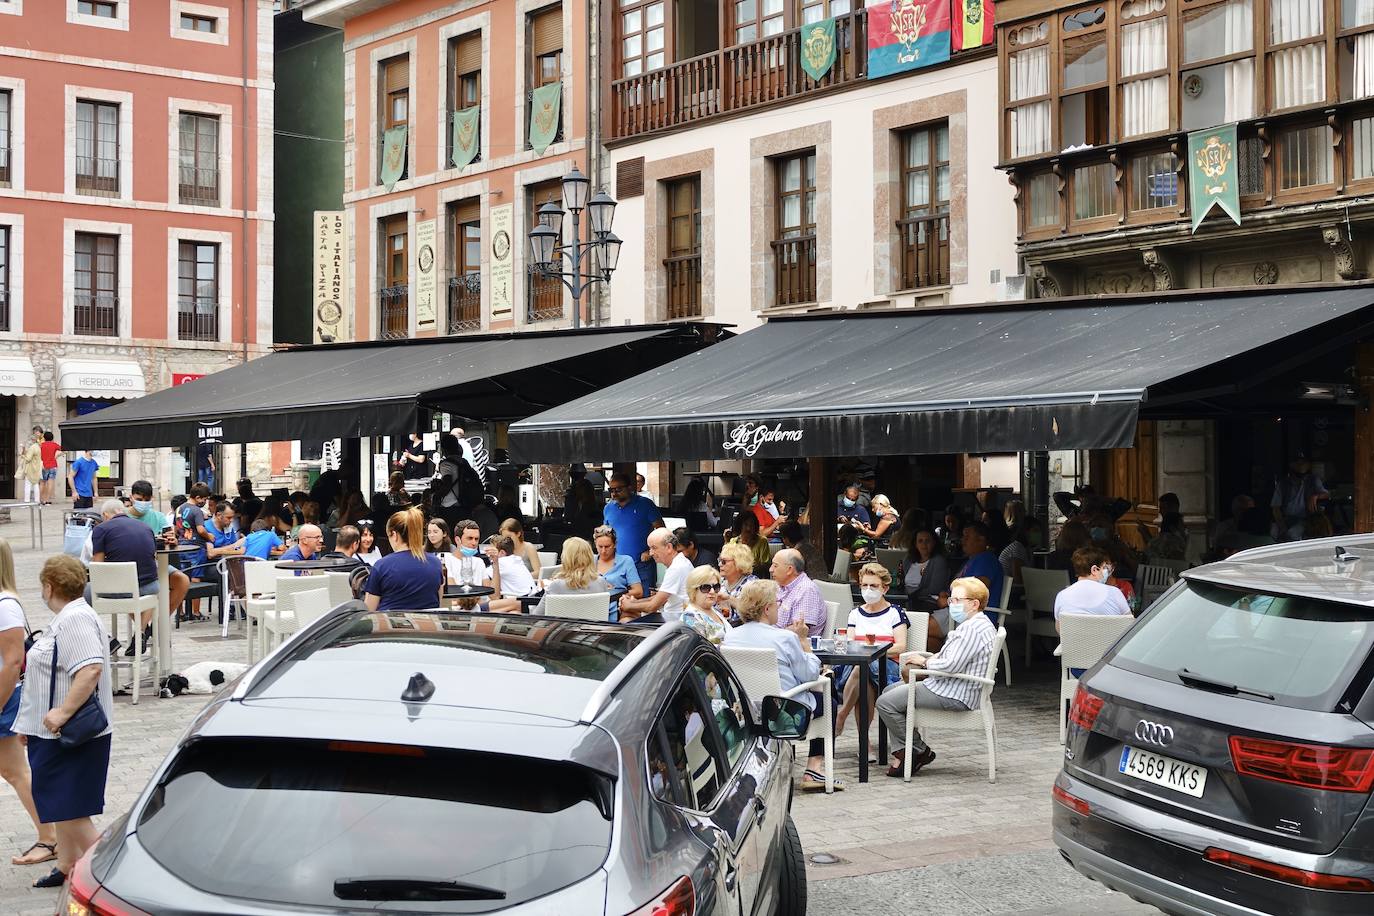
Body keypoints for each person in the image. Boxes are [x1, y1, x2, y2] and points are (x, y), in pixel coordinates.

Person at [16, 555, 116, 888]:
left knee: (70, 809)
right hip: (53, 732)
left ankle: (110, 875)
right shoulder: (71, 616)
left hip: (69, 732)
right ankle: (68, 864)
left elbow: (89, 669)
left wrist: (60, 713)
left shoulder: (74, 619)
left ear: (49, 586)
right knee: (62, 805)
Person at [723, 579, 842, 793]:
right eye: (778, 602)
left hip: (747, 709)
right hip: (783, 711)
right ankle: (814, 768)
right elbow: (809, 673)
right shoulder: (785, 638)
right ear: (767, 609)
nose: (780, 606)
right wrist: (804, 642)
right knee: (829, 701)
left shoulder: (731, 636)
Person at [877, 576, 997, 778]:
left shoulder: (971, 630)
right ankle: (908, 752)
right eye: (952, 600)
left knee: (885, 703)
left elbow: (950, 665)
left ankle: (916, 750)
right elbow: (954, 658)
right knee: (890, 691)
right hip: (959, 685)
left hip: (954, 692)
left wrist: (924, 661)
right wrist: (932, 657)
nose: (952, 604)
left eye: (957, 600)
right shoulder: (979, 623)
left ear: (974, 604)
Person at [0, 538, 58, 868]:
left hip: (3, 697)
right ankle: (51, 835)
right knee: (15, 771)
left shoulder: (5, 604)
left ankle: (50, 837)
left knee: (17, 772)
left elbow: (11, 661)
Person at [90, 499, 187, 657]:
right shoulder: (146, 528)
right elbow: (152, 557)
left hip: (121, 590)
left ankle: (105, 639)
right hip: (150, 587)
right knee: (145, 591)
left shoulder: (101, 529)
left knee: (87, 594)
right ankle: (142, 631)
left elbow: (98, 565)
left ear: (105, 515)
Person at [835, 563, 910, 736]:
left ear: (884, 589)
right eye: (865, 585)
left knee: (863, 668)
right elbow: (850, 642)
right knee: (864, 679)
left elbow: (900, 646)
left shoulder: (895, 613)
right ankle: (864, 742)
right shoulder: (855, 613)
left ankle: (842, 715)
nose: (868, 590)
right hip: (858, 667)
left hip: (885, 666)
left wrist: (874, 652)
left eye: (874, 586)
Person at [364, 508, 444, 612]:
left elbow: (369, 610)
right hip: (427, 625)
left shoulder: (381, 566)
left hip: (390, 626)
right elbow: (439, 602)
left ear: (394, 535)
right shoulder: (436, 563)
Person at [603, 471, 663, 591]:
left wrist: (650, 551)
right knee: (618, 601)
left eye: (618, 489)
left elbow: (661, 530)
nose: (614, 493)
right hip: (617, 564)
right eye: (611, 490)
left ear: (629, 487)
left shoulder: (645, 504)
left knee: (644, 601)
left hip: (641, 563)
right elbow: (606, 534)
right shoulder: (608, 508)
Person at [940, 522, 1005, 628]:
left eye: (967, 537)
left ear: (981, 540)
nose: (963, 540)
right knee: (926, 637)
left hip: (973, 617)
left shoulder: (986, 560)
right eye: (963, 536)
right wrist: (947, 594)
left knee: (920, 627)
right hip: (959, 613)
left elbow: (975, 592)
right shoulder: (972, 560)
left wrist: (948, 601)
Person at [618, 528, 691, 622]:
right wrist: (634, 602)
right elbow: (659, 598)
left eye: (654, 548)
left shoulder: (676, 568)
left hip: (674, 622)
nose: (651, 553)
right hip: (672, 617)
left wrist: (628, 605)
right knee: (628, 613)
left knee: (626, 618)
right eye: (649, 548)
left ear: (669, 547)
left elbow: (652, 606)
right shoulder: (679, 563)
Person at [1054, 547, 1132, 625]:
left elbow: (1060, 629)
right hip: (1108, 637)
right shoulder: (1114, 593)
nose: (1107, 572)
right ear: (1094, 570)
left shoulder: (1061, 596)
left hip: (1075, 637)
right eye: (1104, 568)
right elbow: (1130, 625)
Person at [534, 537, 611, 615]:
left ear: (566, 558)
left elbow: (536, 616)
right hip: (593, 627)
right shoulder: (601, 582)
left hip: (563, 627)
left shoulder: (556, 586)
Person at [900, 527, 952, 639]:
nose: (924, 544)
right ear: (915, 544)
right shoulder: (908, 560)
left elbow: (935, 588)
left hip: (927, 604)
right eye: (920, 541)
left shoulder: (938, 561)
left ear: (934, 543)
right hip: (907, 601)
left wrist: (913, 593)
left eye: (927, 541)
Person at [771, 548, 827, 638]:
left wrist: (768, 633)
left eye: (775, 566)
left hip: (794, 646)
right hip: (777, 640)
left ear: (789, 569)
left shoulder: (806, 590)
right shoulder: (781, 586)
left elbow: (799, 629)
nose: (771, 569)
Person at [1272, 453, 1329, 541]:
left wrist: (1315, 496)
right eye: (1297, 463)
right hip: (1286, 518)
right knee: (1274, 531)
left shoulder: (1313, 480)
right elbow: (1275, 507)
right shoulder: (1283, 484)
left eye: (1303, 463)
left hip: (1306, 519)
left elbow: (1326, 494)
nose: (1301, 466)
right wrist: (1281, 525)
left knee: (1293, 534)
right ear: (1291, 465)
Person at [593, 526, 642, 619]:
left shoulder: (626, 561)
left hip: (617, 608)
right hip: (593, 607)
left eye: (607, 547)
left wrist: (619, 596)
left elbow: (638, 591)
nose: (603, 551)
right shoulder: (589, 561)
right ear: (595, 544)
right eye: (600, 546)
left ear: (615, 544)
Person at [678, 566, 731, 644]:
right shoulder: (690, 618)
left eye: (716, 587)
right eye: (706, 587)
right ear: (693, 590)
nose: (712, 591)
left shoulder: (713, 609)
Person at [716, 541, 758, 619]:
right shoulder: (718, 582)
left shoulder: (752, 585)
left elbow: (753, 613)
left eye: (724, 562)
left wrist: (728, 599)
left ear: (739, 563)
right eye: (719, 560)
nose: (719, 564)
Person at [1212, 494, 1255, 559]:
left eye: (1252, 510)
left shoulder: (1258, 529)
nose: (1248, 514)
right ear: (1235, 510)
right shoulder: (1224, 527)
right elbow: (1217, 549)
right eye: (1243, 510)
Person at [564, 478, 604, 543]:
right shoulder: (575, 503)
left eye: (579, 488)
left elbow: (592, 524)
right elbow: (569, 517)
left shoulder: (595, 507)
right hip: (575, 535)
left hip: (587, 537)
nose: (577, 491)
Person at [18, 426, 42, 504]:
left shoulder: (32, 447)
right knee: (35, 484)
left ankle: (27, 501)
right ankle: (37, 500)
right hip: (37, 467)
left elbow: (28, 458)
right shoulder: (38, 447)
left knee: (27, 484)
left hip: (31, 468)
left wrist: (22, 456)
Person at [39, 431, 61, 505]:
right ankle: (47, 500)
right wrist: (57, 456)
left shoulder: (41, 445)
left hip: (43, 465)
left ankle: (41, 499)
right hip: (53, 465)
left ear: (44, 438)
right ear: (52, 438)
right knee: (50, 483)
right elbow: (63, 449)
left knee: (42, 483)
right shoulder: (54, 445)